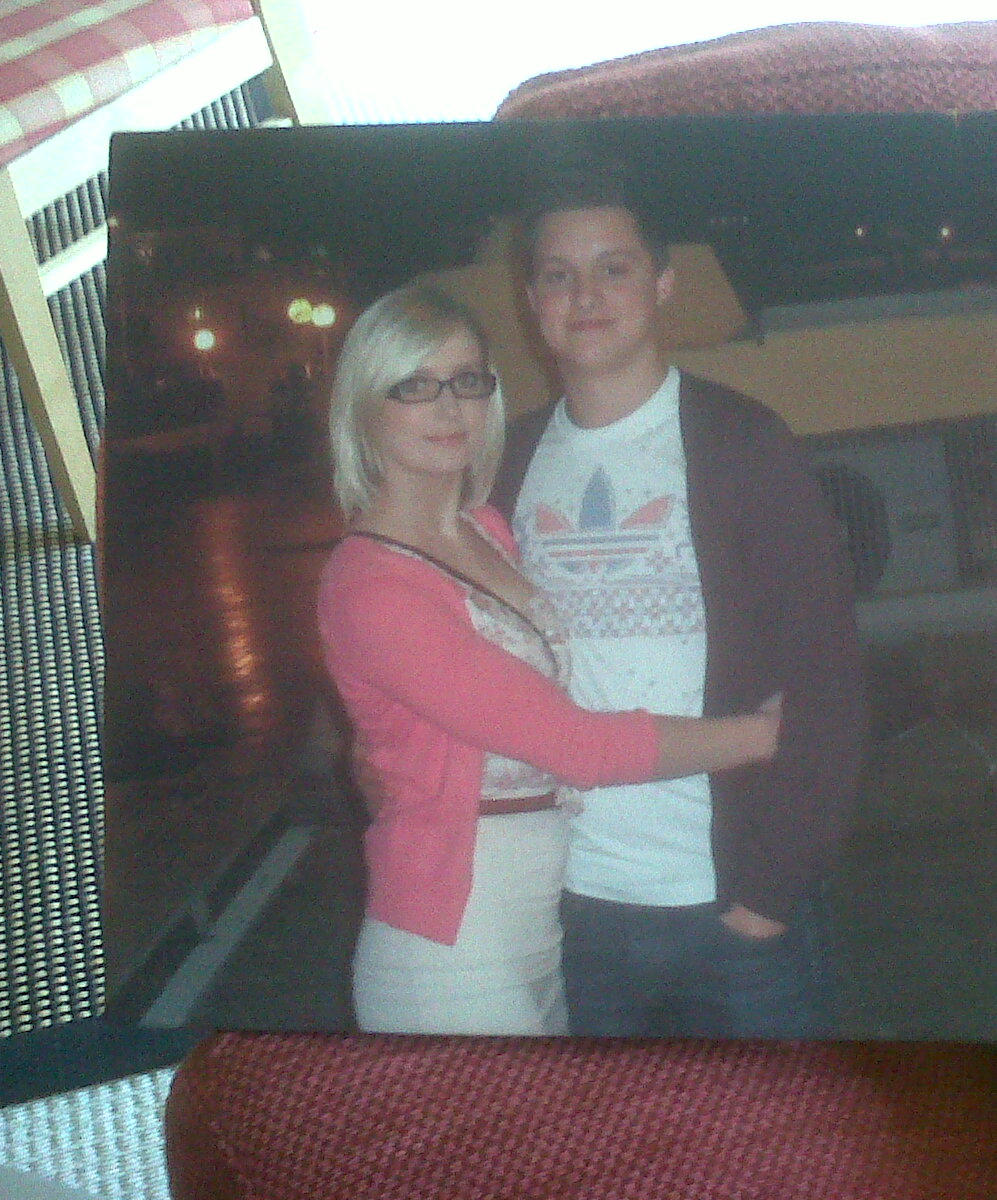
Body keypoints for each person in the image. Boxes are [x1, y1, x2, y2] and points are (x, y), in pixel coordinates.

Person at [317, 283, 783, 1037]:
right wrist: (762, 735)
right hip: (447, 950)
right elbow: (577, 745)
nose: (449, 407)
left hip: (542, 933)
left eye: (468, 380)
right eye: (415, 386)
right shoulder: (369, 584)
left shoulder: (486, 530)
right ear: (366, 406)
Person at [489, 158, 867, 1038]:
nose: (585, 295)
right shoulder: (505, 464)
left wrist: (766, 898)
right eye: (558, 275)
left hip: (732, 913)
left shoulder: (744, 444)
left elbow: (829, 680)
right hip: (571, 911)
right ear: (533, 301)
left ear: (662, 284)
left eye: (613, 268)